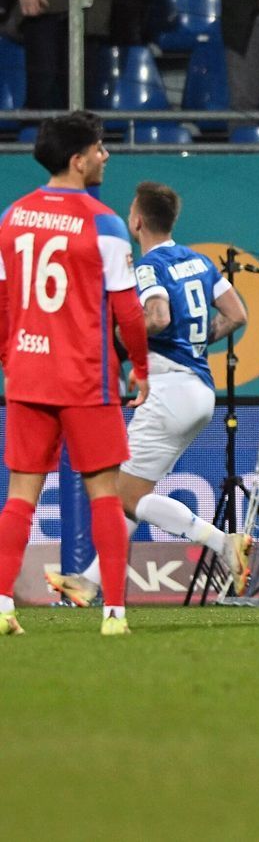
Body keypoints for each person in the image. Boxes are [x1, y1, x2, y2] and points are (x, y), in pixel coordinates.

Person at [43, 181, 253, 608]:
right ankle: (87, 582)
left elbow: (156, 316)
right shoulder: (198, 261)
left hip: (170, 391)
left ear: (136, 221)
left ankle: (223, 543)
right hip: (198, 390)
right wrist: (195, 342)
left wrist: (119, 340)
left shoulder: (148, 267)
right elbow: (238, 315)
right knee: (131, 494)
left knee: (123, 494)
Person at [0, 111, 148, 637]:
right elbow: (128, 312)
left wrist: (9, 359)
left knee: (20, 493)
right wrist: (142, 368)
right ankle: (113, 616)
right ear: (77, 158)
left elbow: (2, 302)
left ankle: (1, 608)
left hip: (28, 374)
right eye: (100, 147)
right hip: (87, 379)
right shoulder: (104, 223)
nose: (106, 155)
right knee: (104, 493)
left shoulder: (12, 216)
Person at [0, 0, 112, 110]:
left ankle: (79, 134)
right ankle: (38, 132)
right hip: (41, 2)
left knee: (83, 91)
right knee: (43, 89)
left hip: (90, 2)